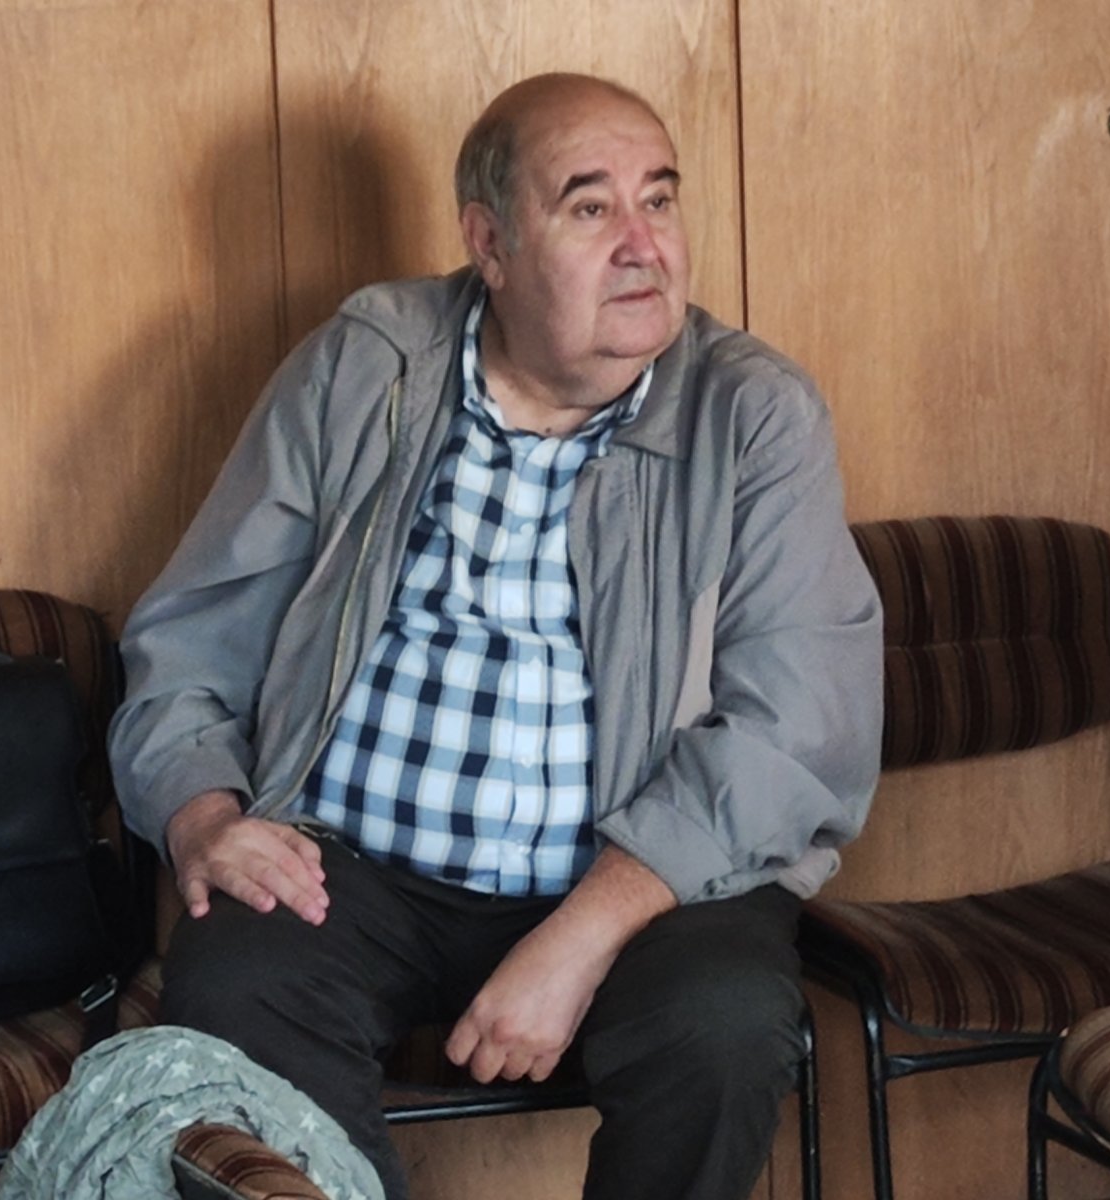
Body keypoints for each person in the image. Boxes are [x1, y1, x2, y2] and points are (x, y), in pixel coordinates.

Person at [108, 72, 882, 1200]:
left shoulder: (751, 413)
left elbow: (795, 723)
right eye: (590, 207)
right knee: (233, 989)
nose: (643, 246)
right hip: (355, 867)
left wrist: (578, 937)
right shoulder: (369, 365)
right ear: (490, 243)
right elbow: (191, 636)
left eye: (659, 200)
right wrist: (205, 821)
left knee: (722, 1027)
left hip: (643, 877)